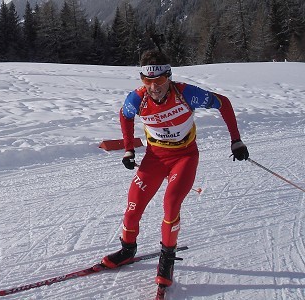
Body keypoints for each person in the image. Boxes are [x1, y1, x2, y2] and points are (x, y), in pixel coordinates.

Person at [101, 49, 249, 287]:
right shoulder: (137, 99)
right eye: (147, 80)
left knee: (171, 204)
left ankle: (167, 259)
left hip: (185, 156)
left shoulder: (186, 94)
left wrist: (236, 140)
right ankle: (127, 250)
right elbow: (124, 115)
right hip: (155, 157)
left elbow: (224, 103)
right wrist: (129, 149)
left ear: (168, 77)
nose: (153, 86)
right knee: (133, 204)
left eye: (159, 80)